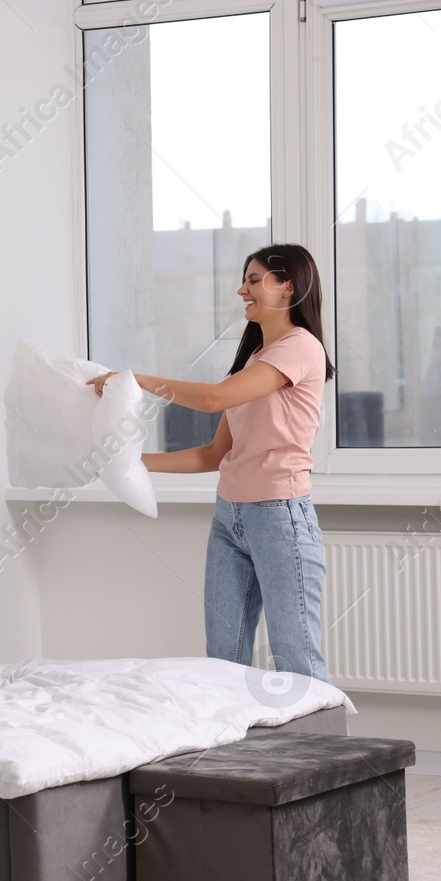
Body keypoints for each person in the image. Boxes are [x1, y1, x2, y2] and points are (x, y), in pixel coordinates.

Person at [87, 243, 333, 681]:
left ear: (288, 286)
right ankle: (237, 753)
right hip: (230, 519)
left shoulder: (301, 347)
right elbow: (214, 454)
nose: (243, 290)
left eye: (254, 280)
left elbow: (213, 398)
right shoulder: (256, 359)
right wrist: (125, 460)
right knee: (223, 660)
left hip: (280, 517)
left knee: (298, 661)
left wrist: (135, 380)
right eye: (245, 280)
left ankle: (328, 752)